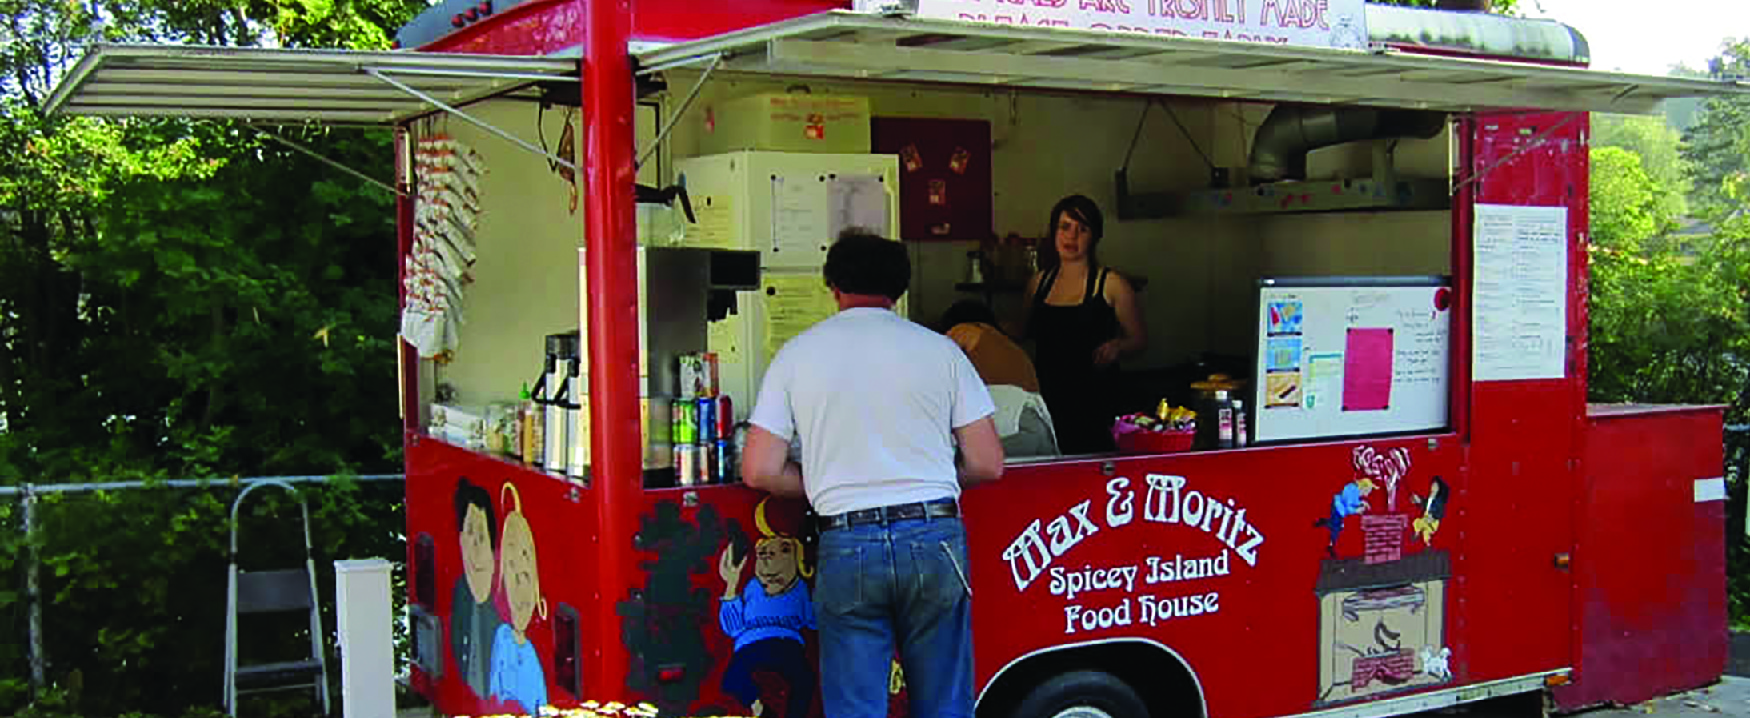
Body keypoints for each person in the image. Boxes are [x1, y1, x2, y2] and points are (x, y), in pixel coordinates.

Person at [742, 229, 1005, 718]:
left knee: (856, 707)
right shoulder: (941, 351)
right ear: (899, 289)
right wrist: (927, 477)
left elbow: (758, 468)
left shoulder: (798, 354)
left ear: (832, 285)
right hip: (934, 538)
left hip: (848, 540)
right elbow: (988, 462)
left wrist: (823, 482)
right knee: (945, 703)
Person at [1015, 195, 1146, 454]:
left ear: (1095, 236)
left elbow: (1139, 340)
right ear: (1053, 232)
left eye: (1082, 229)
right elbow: (1022, 332)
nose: (1071, 237)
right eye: (1065, 227)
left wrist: (1118, 346)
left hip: (1096, 401)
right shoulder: (1038, 283)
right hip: (1047, 398)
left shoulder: (1111, 283)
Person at [937, 301, 1057, 458]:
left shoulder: (965, 329)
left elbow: (935, 368)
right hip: (1037, 425)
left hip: (1008, 426)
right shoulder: (1009, 346)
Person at [450, 478, 501, 699]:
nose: (475, 548)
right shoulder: (461, 592)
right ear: (460, 539)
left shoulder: (504, 606)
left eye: (482, 536)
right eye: (470, 534)